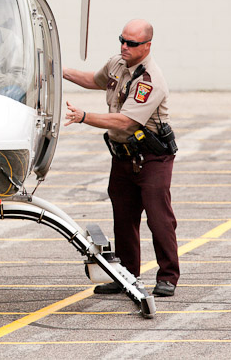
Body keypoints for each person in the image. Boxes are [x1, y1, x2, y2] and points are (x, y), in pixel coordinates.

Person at [63, 19, 179, 297]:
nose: (124, 46)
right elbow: (94, 80)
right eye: (122, 40)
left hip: (151, 158)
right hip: (123, 156)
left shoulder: (150, 80)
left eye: (132, 43)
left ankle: (168, 276)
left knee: (158, 218)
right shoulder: (117, 63)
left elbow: (126, 122)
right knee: (123, 218)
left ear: (147, 46)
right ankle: (126, 275)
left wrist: (84, 117)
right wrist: (61, 71)